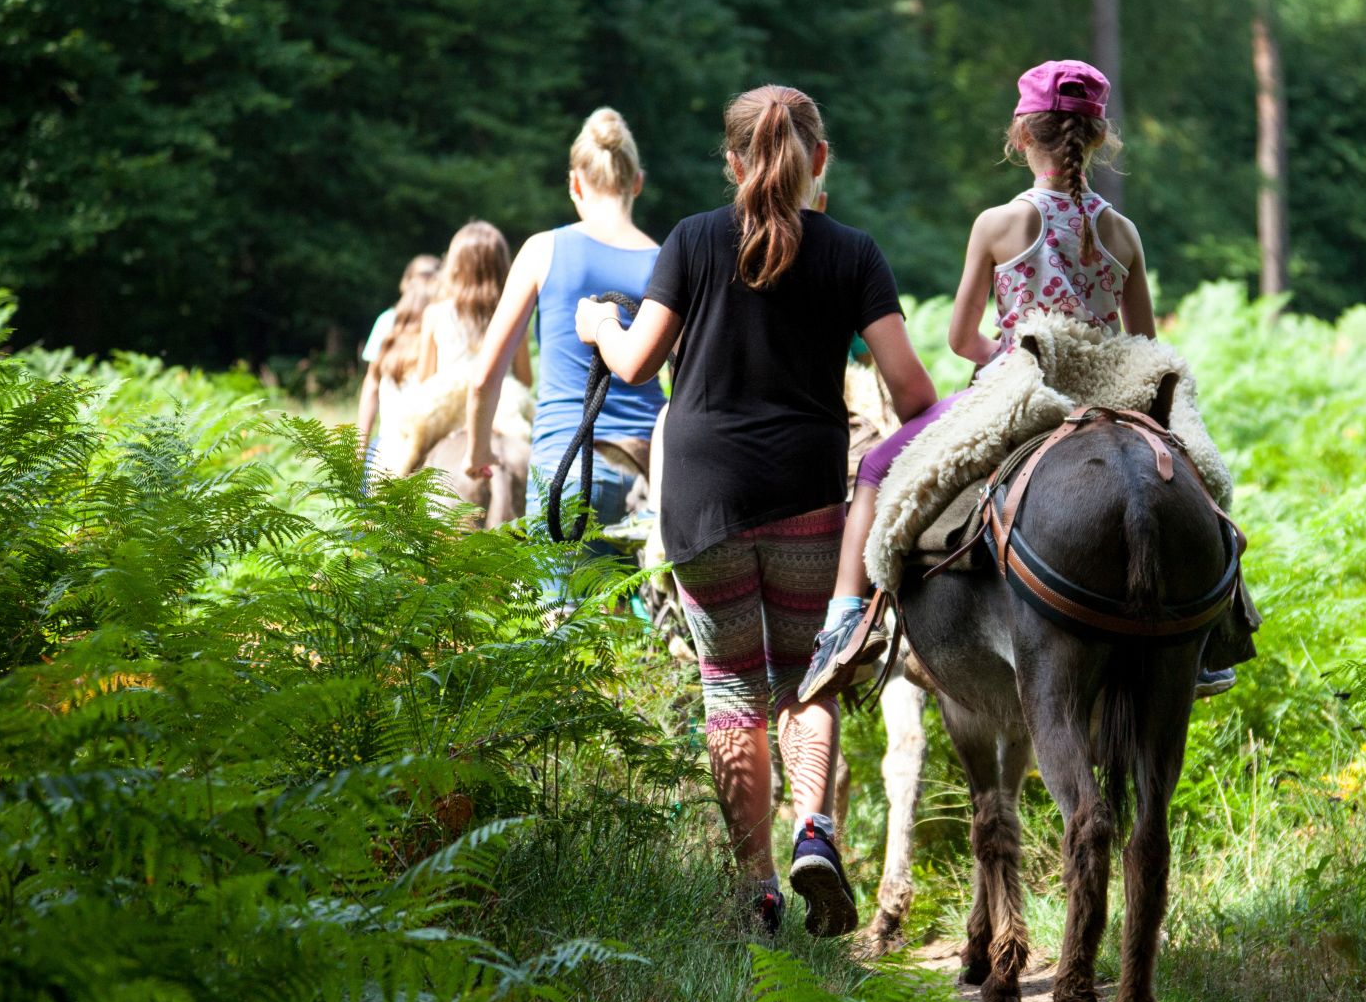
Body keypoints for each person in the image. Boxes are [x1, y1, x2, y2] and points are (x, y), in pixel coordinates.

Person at [575, 85, 935, 936]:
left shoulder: (694, 240)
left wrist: (597, 325)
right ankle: (817, 831)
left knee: (731, 686)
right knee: (809, 676)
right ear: (820, 163)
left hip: (701, 496)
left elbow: (633, 365)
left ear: (734, 162)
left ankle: (759, 888)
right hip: (807, 490)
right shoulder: (854, 254)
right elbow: (913, 391)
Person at [800, 59, 1242, 703]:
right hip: (1110, 394)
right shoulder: (1123, 232)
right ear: (1096, 139)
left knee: (880, 472)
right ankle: (1212, 635)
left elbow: (959, 338)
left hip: (1022, 391)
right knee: (1200, 479)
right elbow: (1142, 342)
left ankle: (847, 621)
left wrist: (1001, 355)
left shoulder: (999, 225)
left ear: (1021, 136)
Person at [463, 108, 665, 558]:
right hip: (650, 478)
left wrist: (477, 453)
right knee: (646, 627)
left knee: (561, 623)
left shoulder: (542, 250)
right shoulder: (667, 263)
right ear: (637, 183)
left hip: (567, 467)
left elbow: (484, 376)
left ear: (575, 183)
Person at [354, 270, 439, 466]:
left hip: (383, 452)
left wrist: (360, 447)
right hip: (422, 456)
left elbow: (370, 388)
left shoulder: (389, 338)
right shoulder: (436, 343)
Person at [361, 254, 441, 363]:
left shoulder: (445, 318)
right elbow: (372, 374)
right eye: (422, 278)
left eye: (431, 279)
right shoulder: (388, 319)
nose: (424, 286)